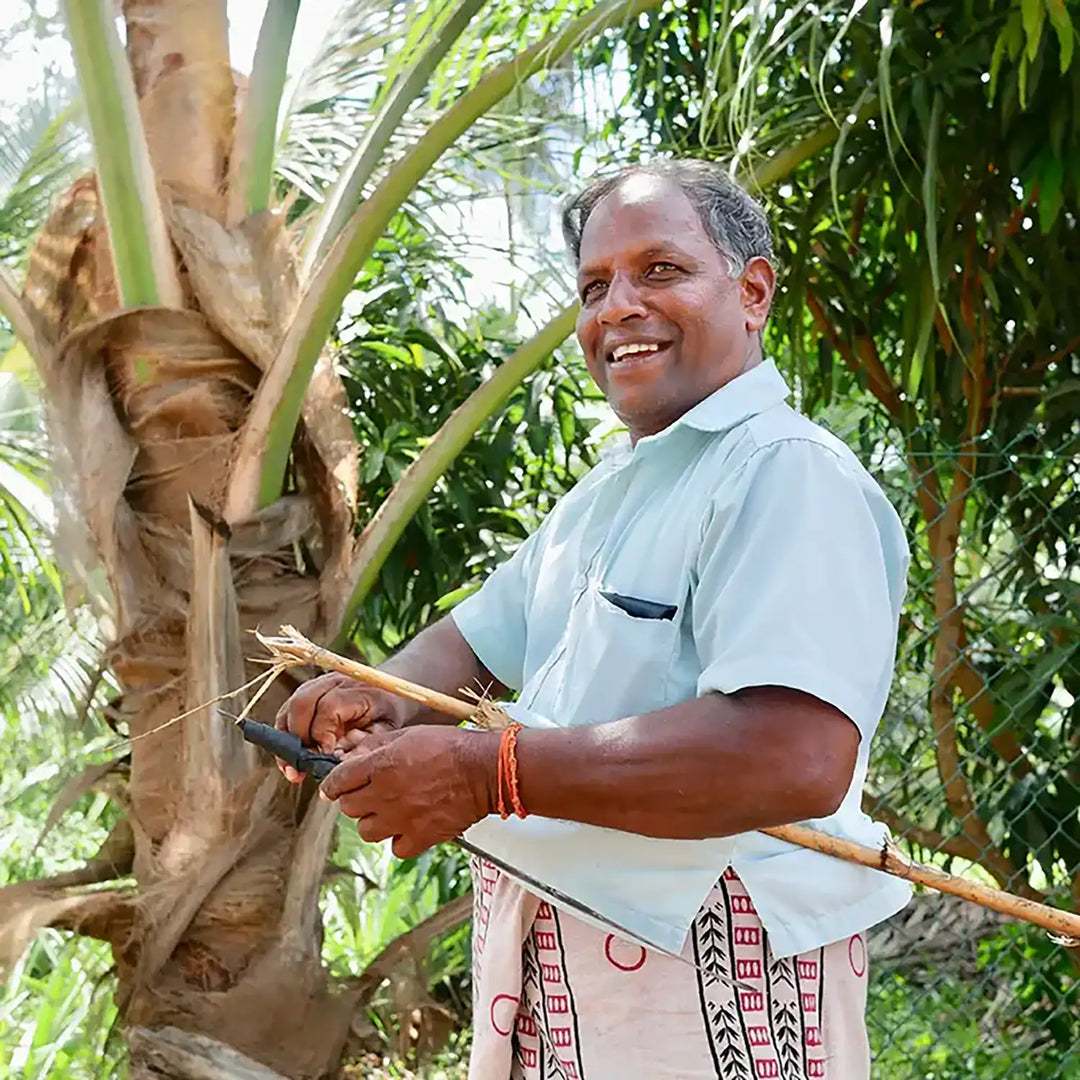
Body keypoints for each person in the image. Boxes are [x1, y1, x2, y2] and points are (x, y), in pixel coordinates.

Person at [277, 159, 911, 1079]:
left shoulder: (784, 474)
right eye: (593, 285)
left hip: (712, 974)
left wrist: (483, 771)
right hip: (574, 965)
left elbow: (795, 755)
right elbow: (475, 642)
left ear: (754, 290)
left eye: (660, 270)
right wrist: (382, 703)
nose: (617, 307)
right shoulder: (609, 494)